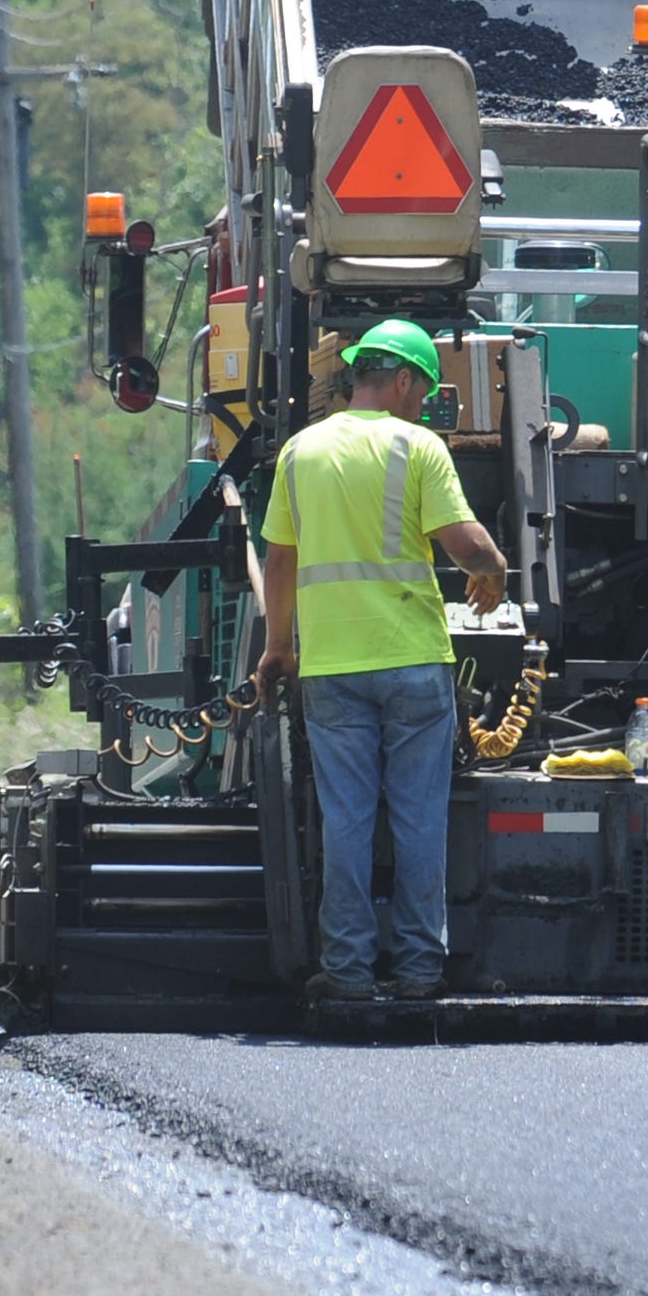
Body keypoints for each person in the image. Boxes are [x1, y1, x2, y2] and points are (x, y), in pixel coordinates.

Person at [254, 317, 510, 1003]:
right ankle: (420, 970)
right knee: (419, 821)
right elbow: (466, 543)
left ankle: (347, 971)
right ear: (401, 380)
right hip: (412, 662)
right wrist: (495, 570)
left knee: (347, 821)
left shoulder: (300, 453)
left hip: (333, 669)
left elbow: (279, 561)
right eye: (422, 390)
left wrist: (279, 648)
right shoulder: (417, 447)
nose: (423, 403)